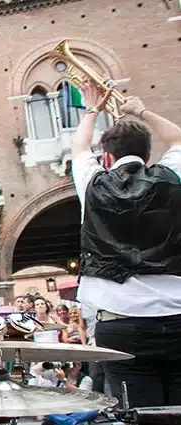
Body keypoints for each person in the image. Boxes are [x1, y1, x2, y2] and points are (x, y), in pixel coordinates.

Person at [71, 79, 181, 408]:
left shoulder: (93, 182)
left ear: (108, 154)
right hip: (177, 316)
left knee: (138, 414)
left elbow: (79, 148)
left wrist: (92, 109)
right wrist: (140, 111)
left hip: (121, 322)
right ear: (149, 153)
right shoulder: (171, 175)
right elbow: (178, 137)